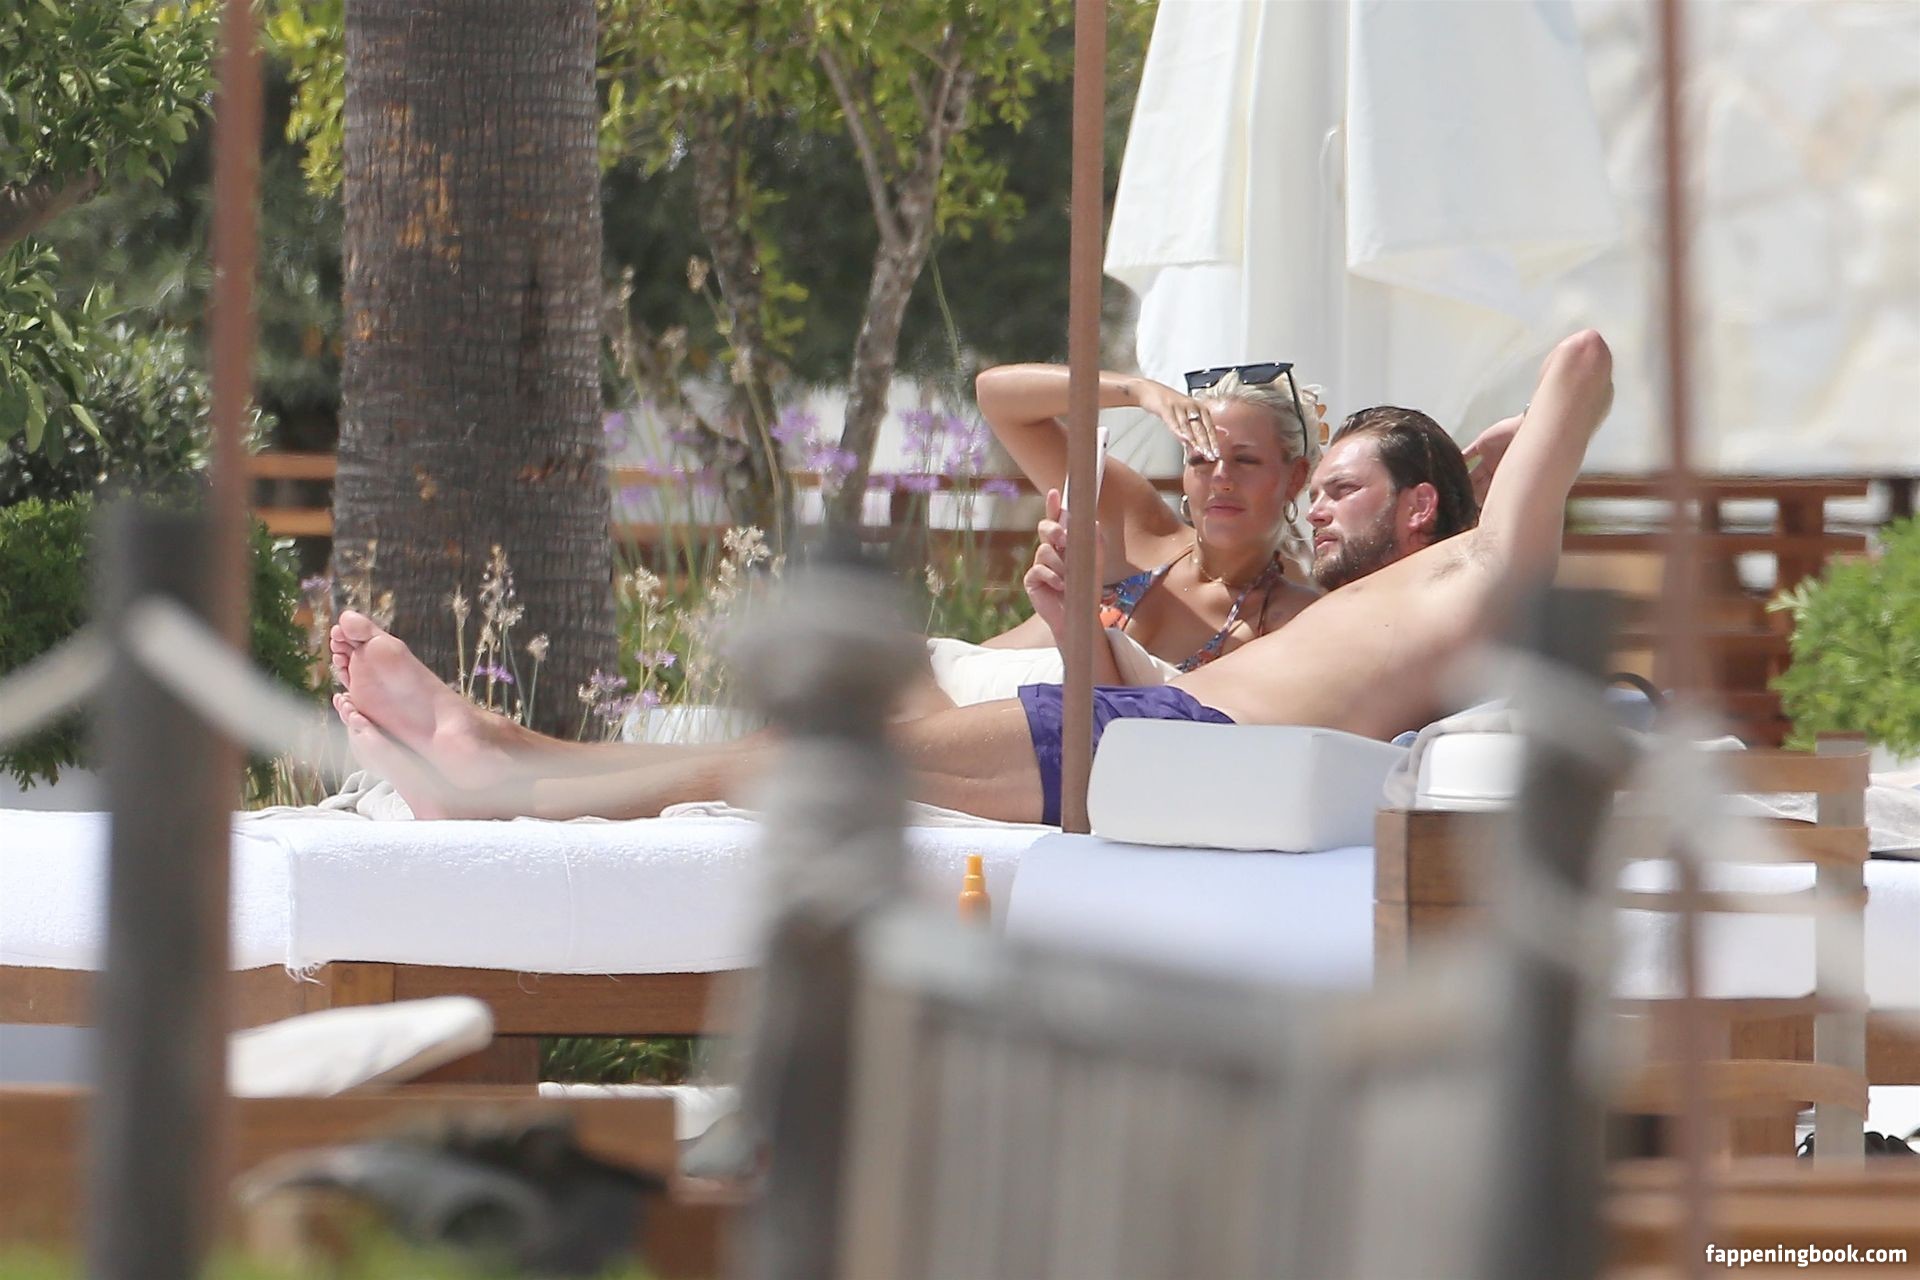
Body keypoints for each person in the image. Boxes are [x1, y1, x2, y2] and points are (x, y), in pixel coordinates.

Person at [332, 330, 1608, 827]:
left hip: (1167, 741)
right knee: (793, 758)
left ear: (1427, 504)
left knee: (799, 762)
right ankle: (505, 756)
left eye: (1335, 486)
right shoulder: (1415, 596)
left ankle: (500, 775)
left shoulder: (1481, 569)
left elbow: (1586, 358)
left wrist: (1499, 466)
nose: (1313, 506)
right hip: (1156, 728)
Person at [974, 362, 1323, 681]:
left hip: (1040, 727)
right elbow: (996, 397)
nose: (1220, 478)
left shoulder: (1290, 618)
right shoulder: (1138, 529)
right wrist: (1139, 391)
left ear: (1295, 477)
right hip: (961, 688)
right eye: (1200, 458)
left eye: (1245, 460)